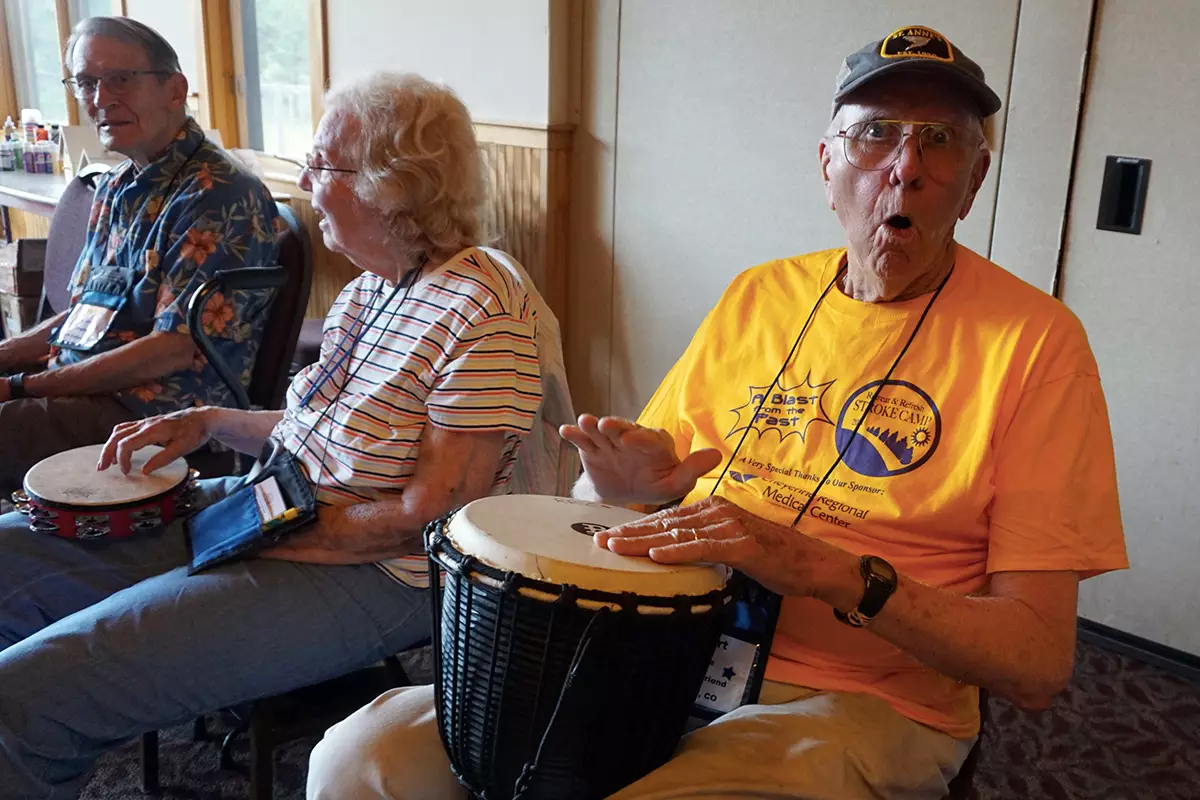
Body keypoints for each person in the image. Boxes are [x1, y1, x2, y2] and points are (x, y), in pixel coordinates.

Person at [304, 25, 1129, 800]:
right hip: (662, 644)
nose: (905, 166)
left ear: (975, 179)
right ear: (827, 165)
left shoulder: (1037, 344)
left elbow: (1035, 661)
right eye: (875, 133)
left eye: (940, 139)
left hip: (864, 701)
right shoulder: (760, 294)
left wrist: (825, 570)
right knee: (360, 760)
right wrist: (630, 492)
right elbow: (626, 509)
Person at [0, 71, 572, 799]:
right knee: (10, 556)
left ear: (393, 185)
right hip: (275, 510)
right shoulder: (372, 290)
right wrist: (207, 423)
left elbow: (431, 517)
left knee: (30, 694)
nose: (303, 179)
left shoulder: (485, 307)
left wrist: (256, 538)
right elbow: (323, 433)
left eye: (323, 164)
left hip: (377, 571)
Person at [0, 16, 282, 494]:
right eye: (87, 82)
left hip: (149, 414)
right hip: (78, 387)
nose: (101, 99)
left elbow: (171, 349)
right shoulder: (115, 187)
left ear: (175, 90)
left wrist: (21, 386)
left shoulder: (217, 194)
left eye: (121, 80)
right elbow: (83, 316)